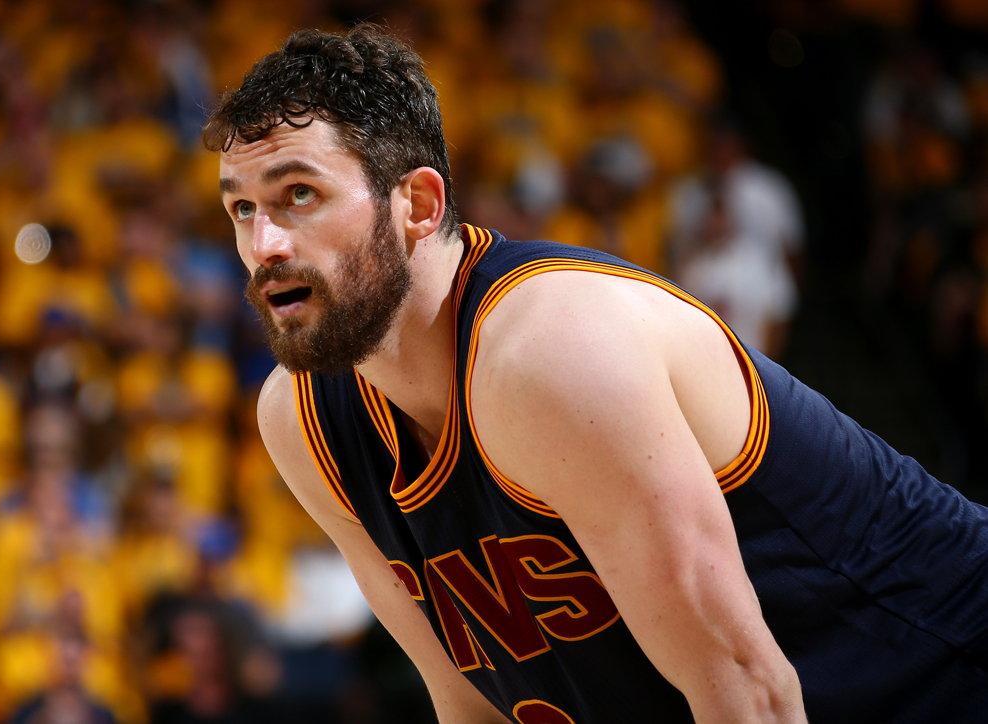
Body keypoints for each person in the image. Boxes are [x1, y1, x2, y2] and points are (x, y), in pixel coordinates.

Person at [203, 25, 988, 724]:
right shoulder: (302, 420)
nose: (264, 244)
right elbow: (469, 705)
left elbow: (753, 694)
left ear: (417, 205)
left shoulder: (548, 350)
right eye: (241, 209)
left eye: (299, 194)